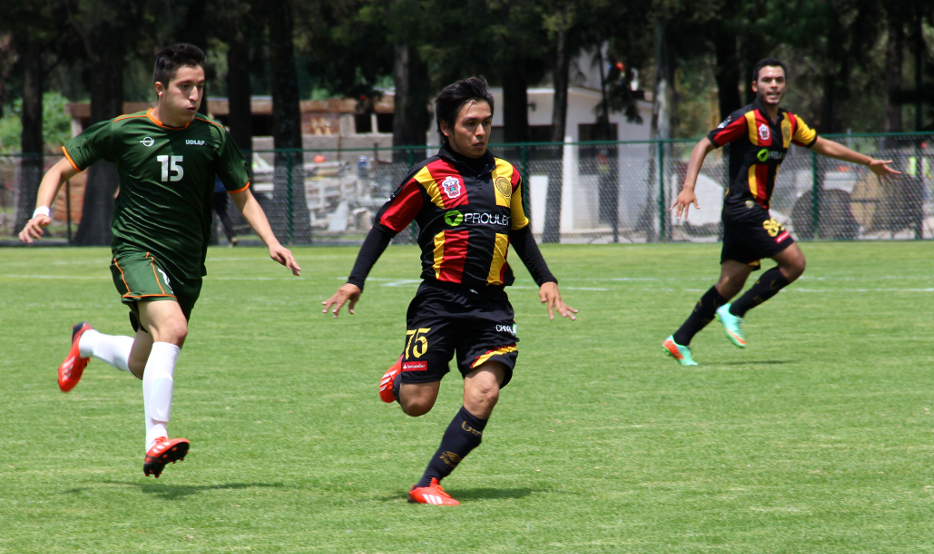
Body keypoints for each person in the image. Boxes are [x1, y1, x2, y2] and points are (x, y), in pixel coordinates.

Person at [18, 43, 300, 477]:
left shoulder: (213, 137)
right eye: (185, 86)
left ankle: (87, 341)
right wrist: (42, 211)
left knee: (141, 363)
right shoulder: (125, 130)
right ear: (160, 89)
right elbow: (60, 169)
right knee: (173, 328)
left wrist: (271, 241)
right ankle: (156, 440)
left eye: (200, 86)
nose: (194, 95)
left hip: (186, 265)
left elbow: (243, 196)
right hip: (136, 252)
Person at [322, 76, 577, 505]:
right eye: (469, 124)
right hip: (438, 301)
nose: (480, 132)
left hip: (491, 306)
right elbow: (384, 226)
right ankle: (403, 374)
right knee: (416, 403)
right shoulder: (428, 176)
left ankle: (429, 482)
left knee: (485, 392)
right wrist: (355, 280)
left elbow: (520, 232)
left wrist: (546, 279)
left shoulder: (508, 175)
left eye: (486, 123)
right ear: (446, 128)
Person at [662, 58, 900, 366]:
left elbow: (824, 146)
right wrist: (688, 186)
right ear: (754, 86)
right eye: (766, 80)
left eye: (778, 80)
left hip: (750, 211)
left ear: (785, 85)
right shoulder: (745, 118)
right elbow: (702, 145)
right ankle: (734, 311)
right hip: (743, 208)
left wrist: (868, 162)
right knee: (795, 263)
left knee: (731, 282)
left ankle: (680, 340)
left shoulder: (789, 122)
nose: (773, 85)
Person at [213, 176, 239, 246]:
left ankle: (201, 237)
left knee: (204, 215)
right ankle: (232, 236)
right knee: (223, 213)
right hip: (221, 190)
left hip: (209, 190)